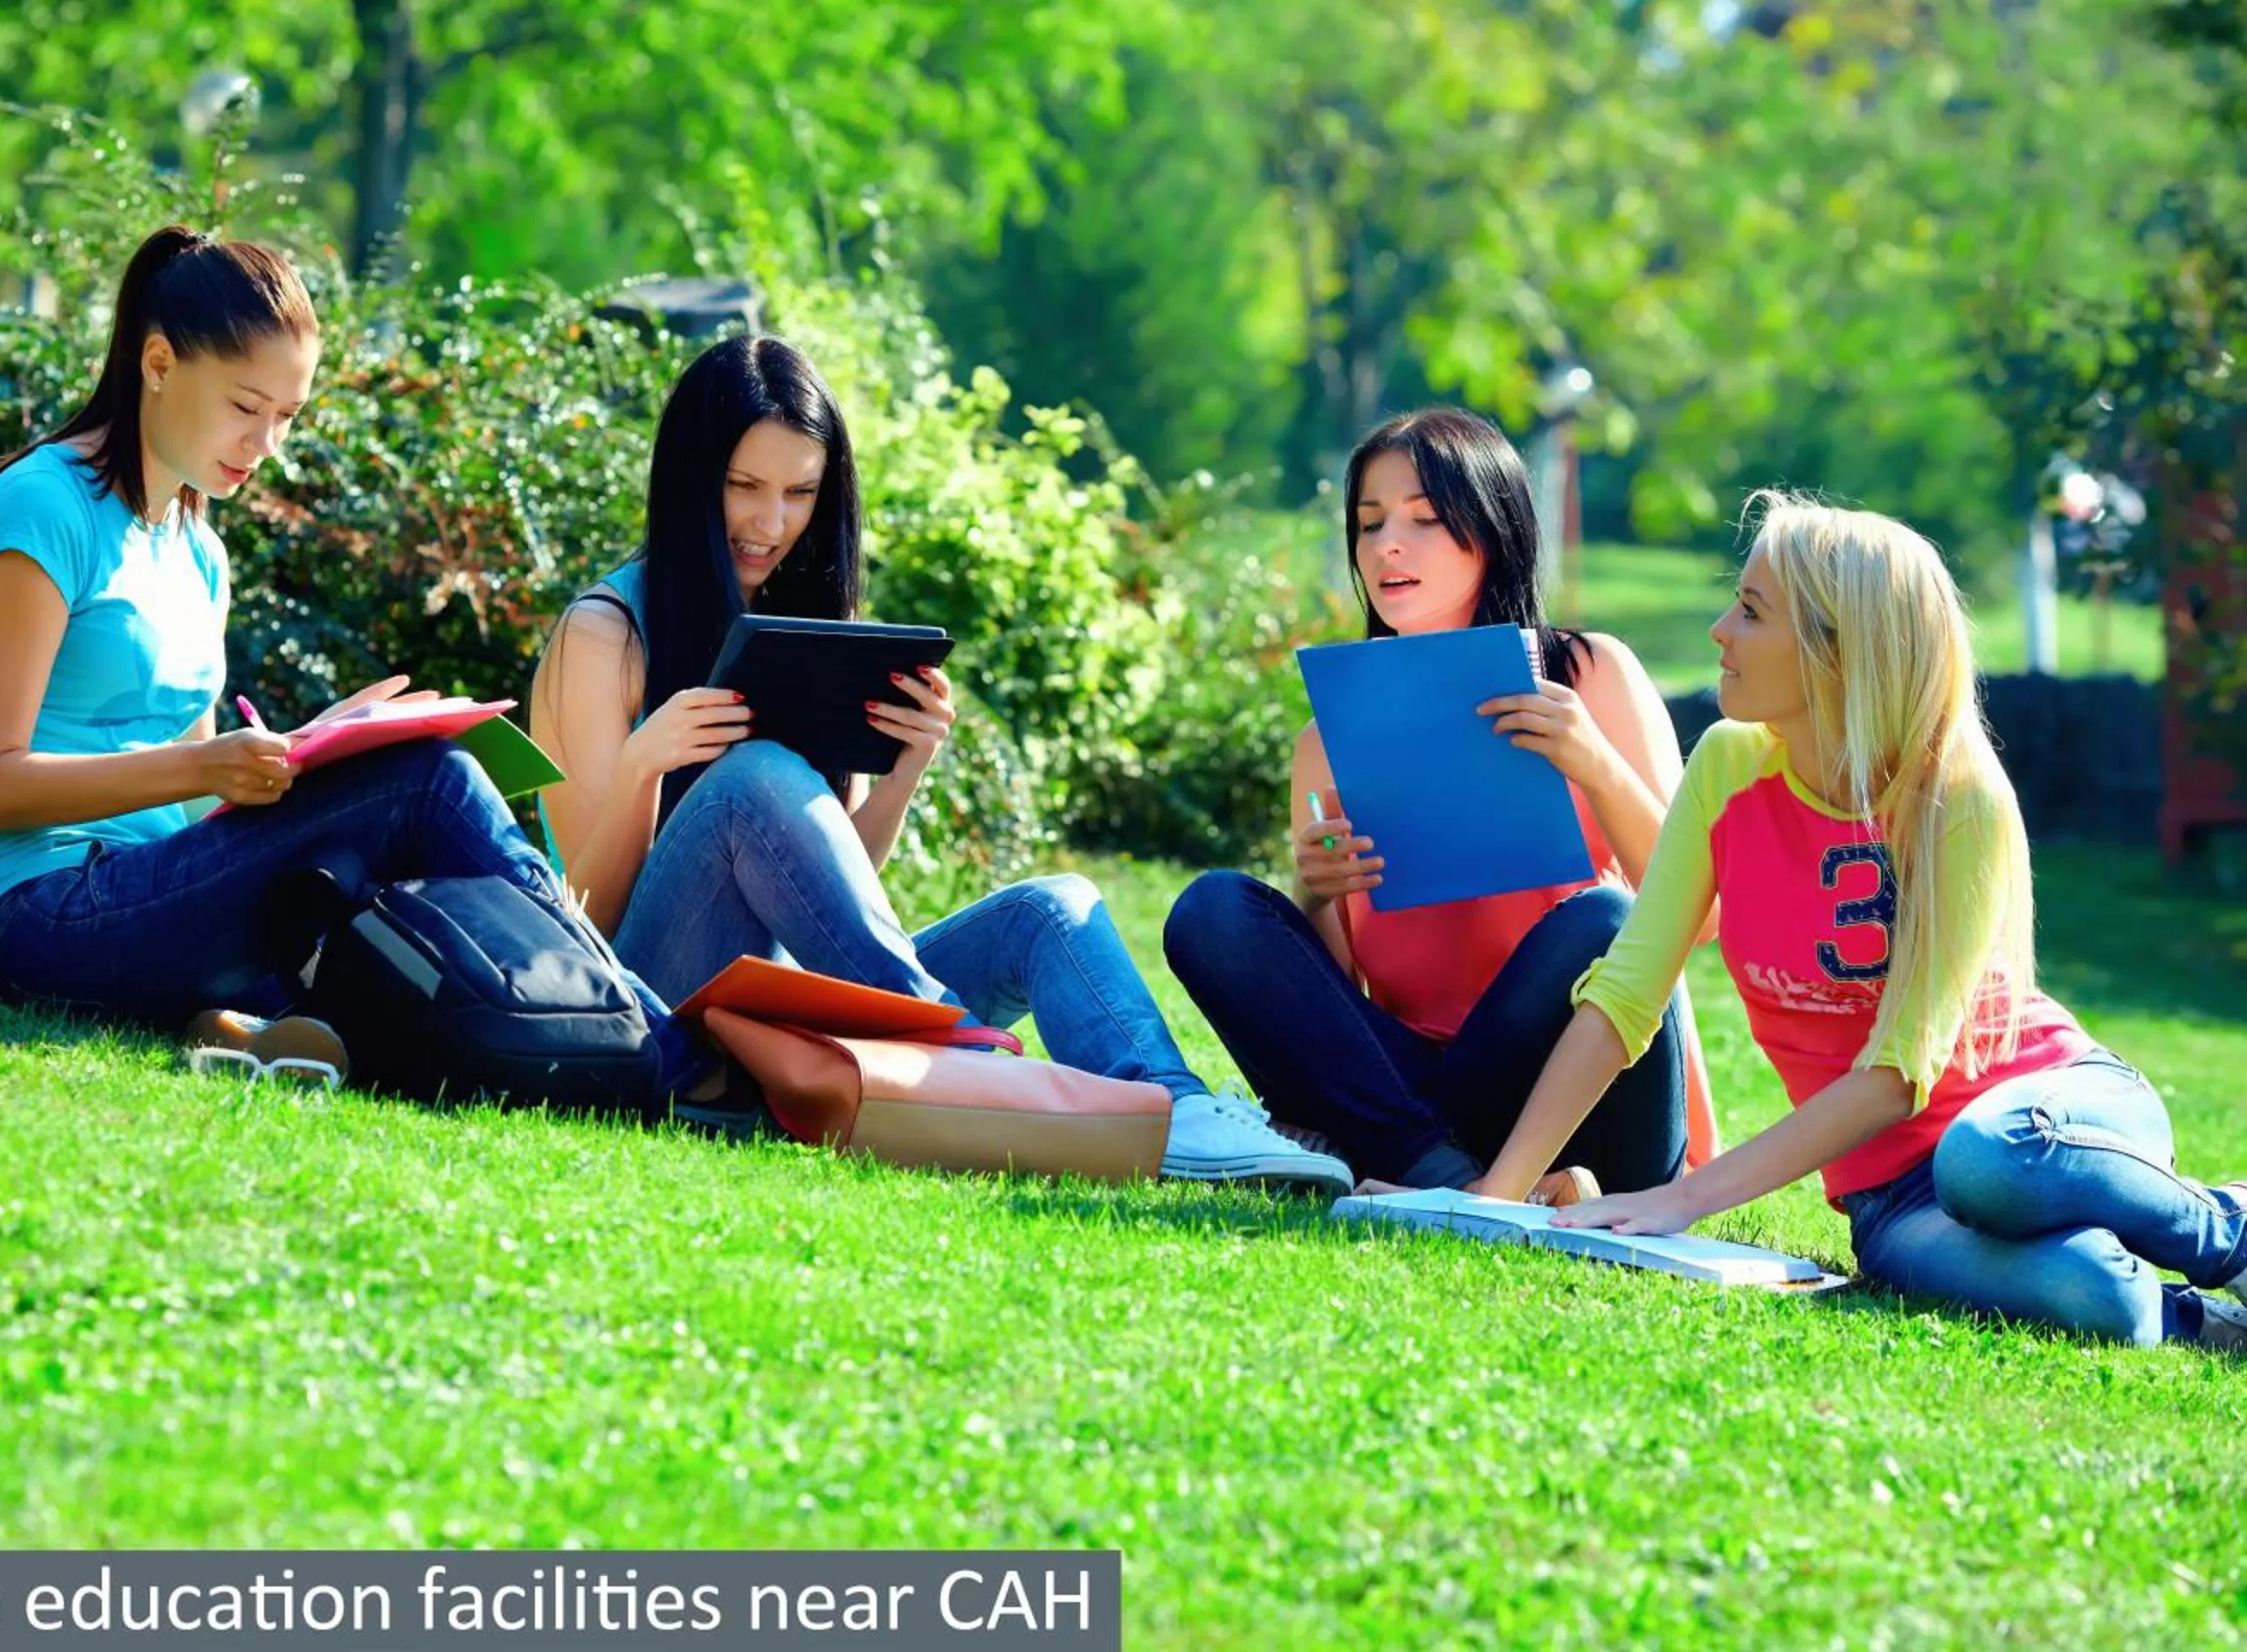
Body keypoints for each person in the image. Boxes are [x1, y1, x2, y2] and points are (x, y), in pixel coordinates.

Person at [528, 333, 1350, 1194]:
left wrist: (906, 767)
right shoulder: (607, 633)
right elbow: (583, 923)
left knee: (1054, 908)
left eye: (801, 493)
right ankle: (961, 1050)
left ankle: (1173, 1116)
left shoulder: (798, 615)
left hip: (786, 1010)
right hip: (651, 1012)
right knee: (752, 777)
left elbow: (827, 896)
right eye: (744, 488)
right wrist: (641, 771)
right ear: (693, 480)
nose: (772, 524)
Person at [0, 223, 716, 1109]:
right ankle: (680, 1056)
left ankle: (591, 1038)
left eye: (287, 416)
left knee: (386, 877)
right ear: (158, 363)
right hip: (40, 919)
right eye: (245, 406)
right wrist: (208, 762)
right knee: (428, 778)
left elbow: (191, 806)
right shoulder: (41, 511)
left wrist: (304, 753)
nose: (266, 443)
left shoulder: (198, 549)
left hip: (155, 902)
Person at [1514, 493, 2247, 1350]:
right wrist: (1497, 1189)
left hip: (2054, 1115)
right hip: (1894, 1195)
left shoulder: (1958, 799)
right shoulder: (1725, 768)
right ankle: (2204, 1319)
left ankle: (2227, 1229)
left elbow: (1900, 1074)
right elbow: (1627, 996)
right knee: (2103, 1303)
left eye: (1751, 612)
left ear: (1839, 652)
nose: (1719, 629)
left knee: (1990, 1161)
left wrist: (1687, 1197)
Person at [1163, 405, 1710, 1197]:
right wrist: (1318, 896)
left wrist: (1594, 763)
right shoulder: (1327, 740)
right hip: (1422, 1097)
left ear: (1491, 534)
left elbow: (1701, 914)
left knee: (1607, 921)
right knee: (1213, 910)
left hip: (1591, 1089)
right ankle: (1451, 1179)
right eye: (1369, 523)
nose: (1387, 544)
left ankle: (1451, 1174)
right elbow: (1333, 1007)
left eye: (1423, 520)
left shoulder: (1589, 673)